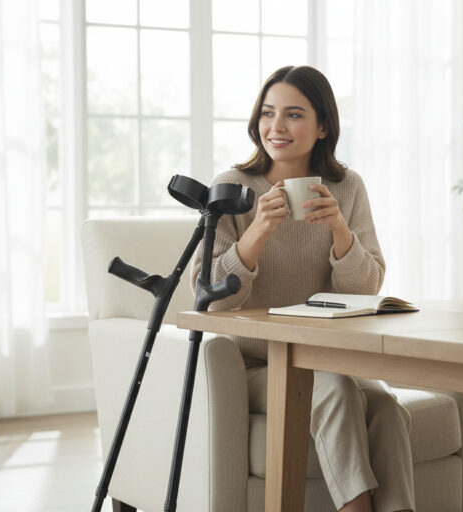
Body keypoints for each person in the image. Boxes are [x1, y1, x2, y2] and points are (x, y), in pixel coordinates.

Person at [191, 65, 414, 512]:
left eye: (293, 114)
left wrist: (338, 228)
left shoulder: (346, 187)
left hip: (327, 352)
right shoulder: (231, 187)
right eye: (268, 113)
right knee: (334, 389)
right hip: (256, 360)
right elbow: (209, 295)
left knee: (387, 406)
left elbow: (367, 286)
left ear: (323, 125)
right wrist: (257, 231)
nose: (276, 127)